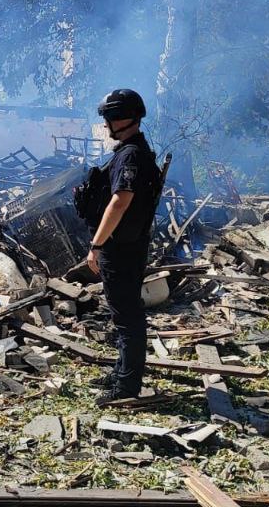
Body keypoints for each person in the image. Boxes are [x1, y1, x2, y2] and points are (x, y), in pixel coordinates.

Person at [85, 88, 161, 404]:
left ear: (122, 119)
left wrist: (96, 245)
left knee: (127, 317)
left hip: (120, 248)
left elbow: (120, 201)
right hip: (131, 244)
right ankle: (122, 372)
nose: (105, 126)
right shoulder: (137, 151)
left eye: (108, 119)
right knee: (124, 314)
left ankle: (126, 388)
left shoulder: (129, 154)